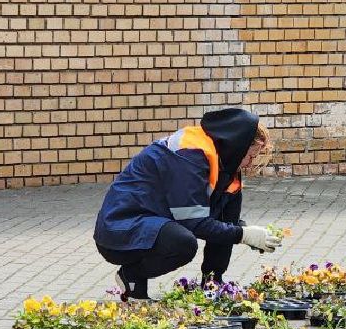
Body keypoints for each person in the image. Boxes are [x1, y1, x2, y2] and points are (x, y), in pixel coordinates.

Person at [93, 108, 282, 301]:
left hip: (151, 223)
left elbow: (226, 221)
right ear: (238, 146)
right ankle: (132, 276)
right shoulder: (189, 155)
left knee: (204, 233)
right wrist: (243, 235)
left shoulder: (226, 165)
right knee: (182, 243)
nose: (250, 164)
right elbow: (193, 223)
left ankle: (137, 290)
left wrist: (213, 282)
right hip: (120, 228)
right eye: (250, 156)